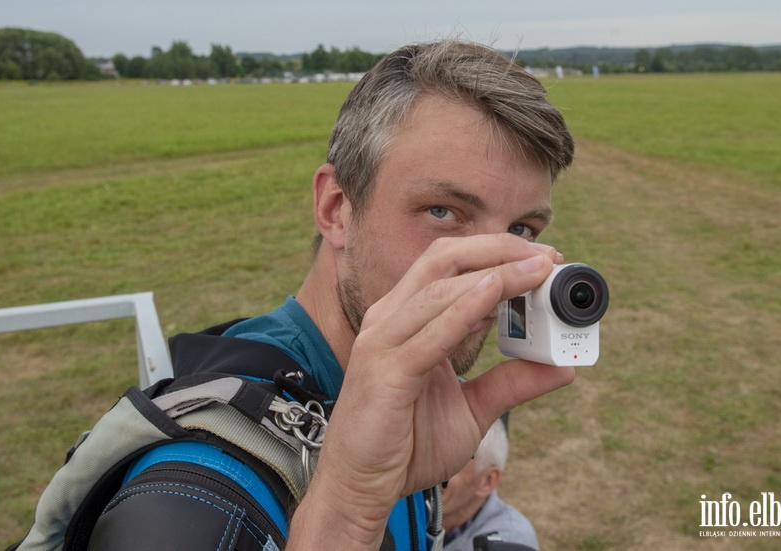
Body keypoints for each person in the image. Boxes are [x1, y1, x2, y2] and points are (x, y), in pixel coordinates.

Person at [91, 39, 578, 550]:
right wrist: (348, 508)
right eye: (442, 211)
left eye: (521, 229)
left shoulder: (418, 400)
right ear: (336, 209)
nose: (493, 268)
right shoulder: (204, 479)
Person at [442, 417, 539, 550]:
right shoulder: (412, 509)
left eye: (452, 466)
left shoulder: (510, 539)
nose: (431, 476)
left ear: (487, 481)